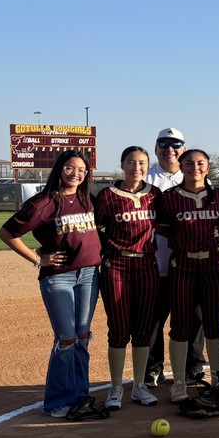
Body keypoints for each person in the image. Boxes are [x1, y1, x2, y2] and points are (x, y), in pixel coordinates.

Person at [0, 149, 102, 417]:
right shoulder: (43, 203)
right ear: (59, 169)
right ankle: (58, 402)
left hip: (89, 275)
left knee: (82, 337)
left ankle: (80, 395)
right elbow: (7, 233)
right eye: (70, 168)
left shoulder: (87, 199)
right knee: (66, 339)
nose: (76, 174)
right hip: (59, 277)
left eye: (81, 170)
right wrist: (37, 259)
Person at [155, 149, 219, 402]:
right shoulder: (169, 197)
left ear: (208, 167)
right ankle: (179, 382)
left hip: (212, 264)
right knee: (180, 325)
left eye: (200, 163)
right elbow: (161, 228)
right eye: (189, 163)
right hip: (182, 264)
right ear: (181, 165)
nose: (194, 167)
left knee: (214, 323)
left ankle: (217, 378)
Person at [94, 146, 162, 409]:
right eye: (131, 162)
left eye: (142, 162)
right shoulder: (108, 195)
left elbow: (166, 225)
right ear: (122, 165)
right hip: (117, 264)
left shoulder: (154, 194)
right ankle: (115, 388)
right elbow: (94, 228)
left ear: (148, 165)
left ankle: (139, 386)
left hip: (147, 264)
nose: (136, 167)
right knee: (119, 328)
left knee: (143, 329)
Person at [143, 128, 205, 387]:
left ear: (183, 149)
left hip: (189, 265)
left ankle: (194, 367)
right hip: (154, 263)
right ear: (156, 148)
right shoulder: (145, 178)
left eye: (176, 144)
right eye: (164, 144)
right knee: (153, 319)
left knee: (194, 318)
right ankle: (153, 368)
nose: (170, 149)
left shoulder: (194, 176)